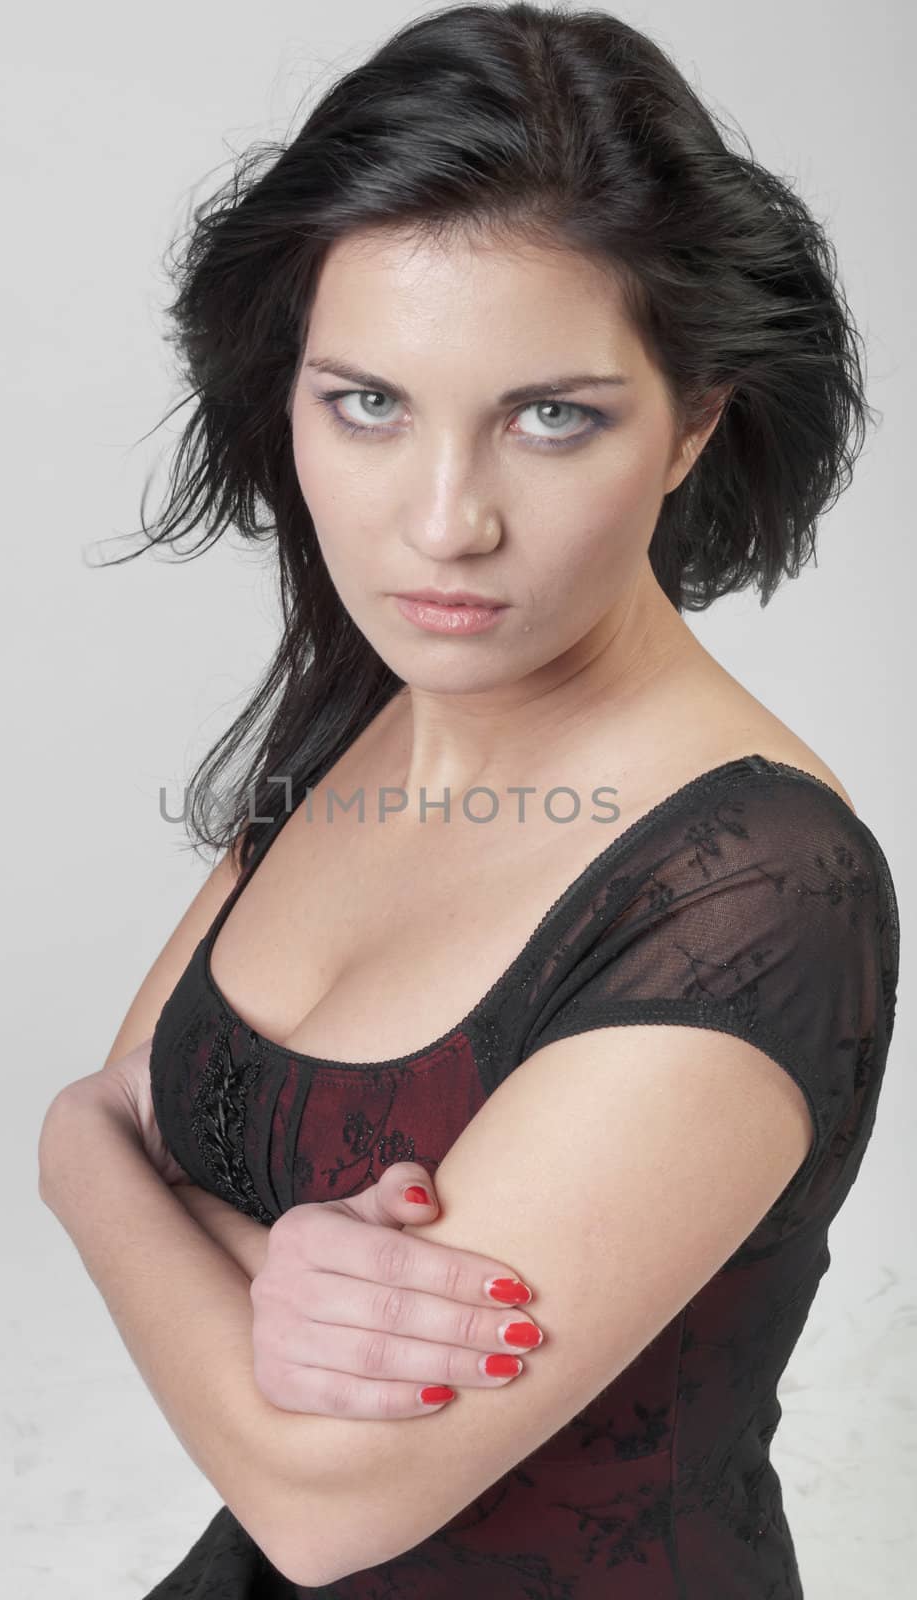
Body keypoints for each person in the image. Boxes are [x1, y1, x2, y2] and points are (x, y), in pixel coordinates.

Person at [60, 3, 900, 1594]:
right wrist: (243, 1250)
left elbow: (324, 1496)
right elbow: (125, 1108)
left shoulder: (761, 893)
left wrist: (74, 1166)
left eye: (551, 415)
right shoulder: (375, 700)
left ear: (693, 425)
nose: (443, 528)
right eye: (366, 403)